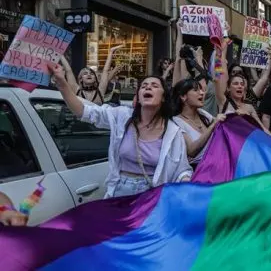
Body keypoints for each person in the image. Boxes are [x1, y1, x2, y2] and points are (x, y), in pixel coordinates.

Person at [48, 63, 192, 198]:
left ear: (163, 98)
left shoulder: (173, 132)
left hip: (153, 196)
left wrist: (189, 185)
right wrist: (61, 83)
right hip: (120, 191)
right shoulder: (122, 116)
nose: (148, 88)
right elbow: (83, 111)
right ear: (139, 98)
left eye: (154, 86)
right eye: (144, 86)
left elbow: (182, 170)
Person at [172, 79, 225, 168]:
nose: (202, 93)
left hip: (218, 163)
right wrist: (212, 126)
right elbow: (192, 151)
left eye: (201, 90)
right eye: (196, 90)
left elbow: (222, 123)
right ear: (183, 96)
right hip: (198, 169)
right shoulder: (176, 121)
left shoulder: (202, 113)